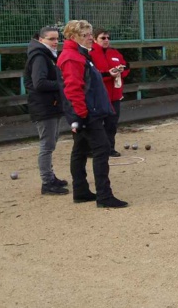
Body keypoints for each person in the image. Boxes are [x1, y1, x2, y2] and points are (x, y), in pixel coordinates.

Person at [57, 20, 128, 208]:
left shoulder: (79, 55)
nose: (90, 38)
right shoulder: (73, 57)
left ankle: (81, 191)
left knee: (80, 150)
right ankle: (104, 196)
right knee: (101, 149)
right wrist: (81, 114)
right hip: (87, 112)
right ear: (74, 37)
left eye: (90, 34)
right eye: (86, 35)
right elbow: (73, 88)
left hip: (86, 110)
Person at [24, 27, 69, 195]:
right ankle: (47, 181)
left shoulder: (46, 56)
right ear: (41, 40)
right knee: (47, 145)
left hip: (50, 105)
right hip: (44, 106)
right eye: (51, 39)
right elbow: (39, 83)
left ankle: (50, 177)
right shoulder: (40, 57)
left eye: (57, 39)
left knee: (50, 143)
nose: (55, 42)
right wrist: (63, 84)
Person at [90, 29, 130, 157]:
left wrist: (120, 72)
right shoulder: (90, 54)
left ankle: (109, 148)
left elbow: (126, 66)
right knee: (96, 124)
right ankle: (94, 149)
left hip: (115, 95)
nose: (106, 40)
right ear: (95, 39)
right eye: (103, 38)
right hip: (99, 96)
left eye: (108, 37)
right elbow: (91, 74)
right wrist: (109, 74)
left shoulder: (114, 52)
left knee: (111, 124)